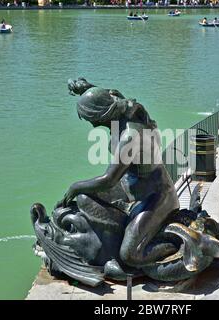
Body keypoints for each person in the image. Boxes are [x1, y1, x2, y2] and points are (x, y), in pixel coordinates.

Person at [59, 78, 180, 268]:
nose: (92, 125)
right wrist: (87, 89)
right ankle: (111, 239)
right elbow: (108, 94)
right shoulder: (119, 107)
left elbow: (109, 179)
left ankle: (176, 246)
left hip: (156, 196)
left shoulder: (130, 136)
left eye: (92, 119)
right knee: (83, 199)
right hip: (129, 186)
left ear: (102, 113)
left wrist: (74, 187)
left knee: (130, 255)